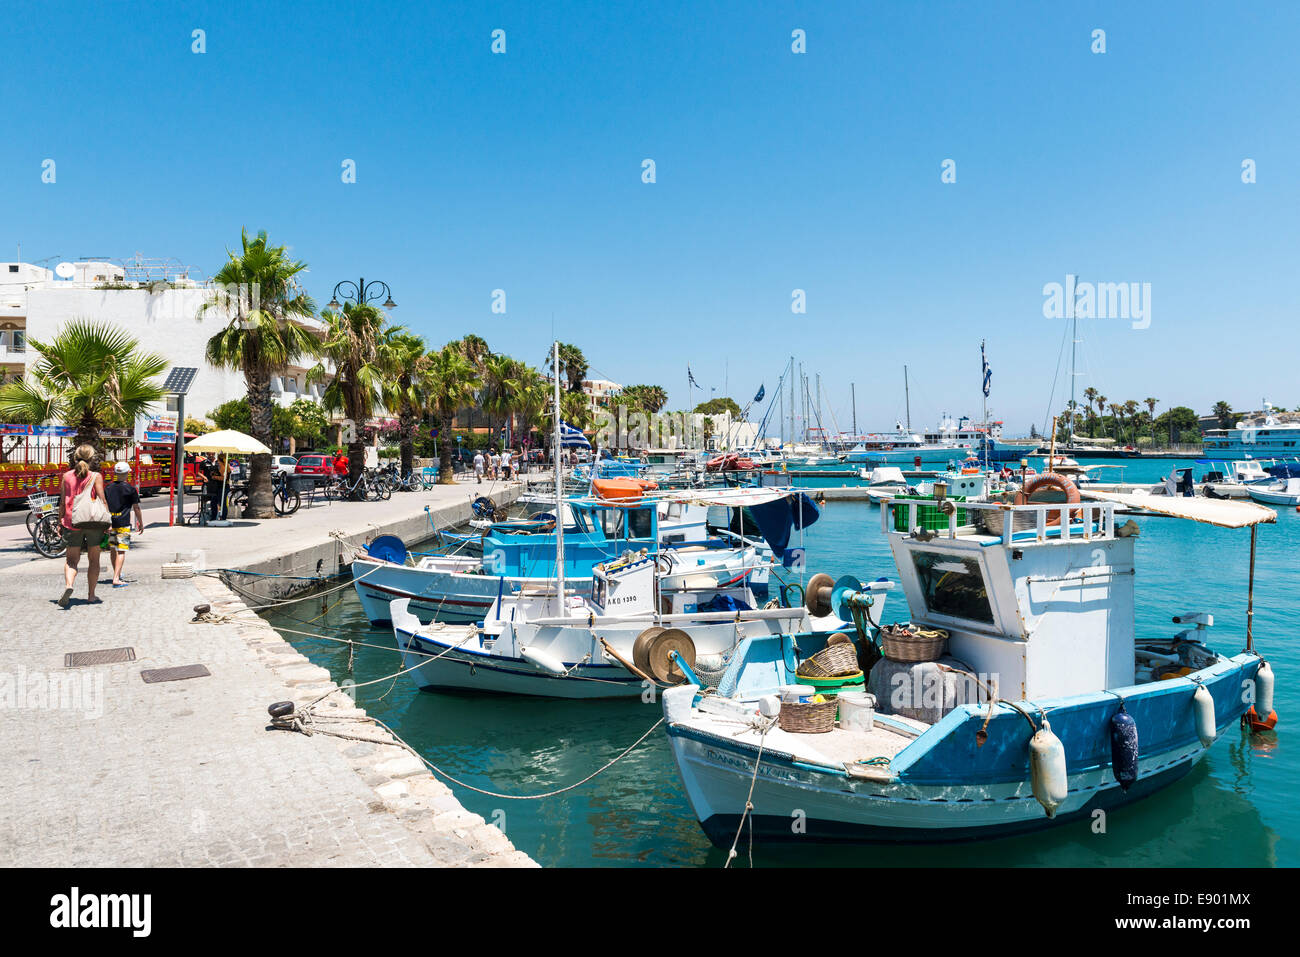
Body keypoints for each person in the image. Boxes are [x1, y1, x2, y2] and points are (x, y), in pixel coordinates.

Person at [57, 444, 109, 608]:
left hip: (72, 522)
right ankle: (91, 595)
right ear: (92, 458)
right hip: (93, 522)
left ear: (75, 457)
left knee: (71, 560)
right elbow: (102, 499)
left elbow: (62, 502)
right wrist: (108, 522)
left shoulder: (66, 476)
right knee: (94, 560)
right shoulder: (95, 476)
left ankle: (69, 585)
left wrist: (60, 521)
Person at [105, 461, 145, 587]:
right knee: (121, 551)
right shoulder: (130, 489)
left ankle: (116, 573)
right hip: (123, 523)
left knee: (113, 549)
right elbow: (136, 508)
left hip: (111, 522)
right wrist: (140, 522)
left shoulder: (108, 488)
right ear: (128, 473)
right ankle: (116, 578)